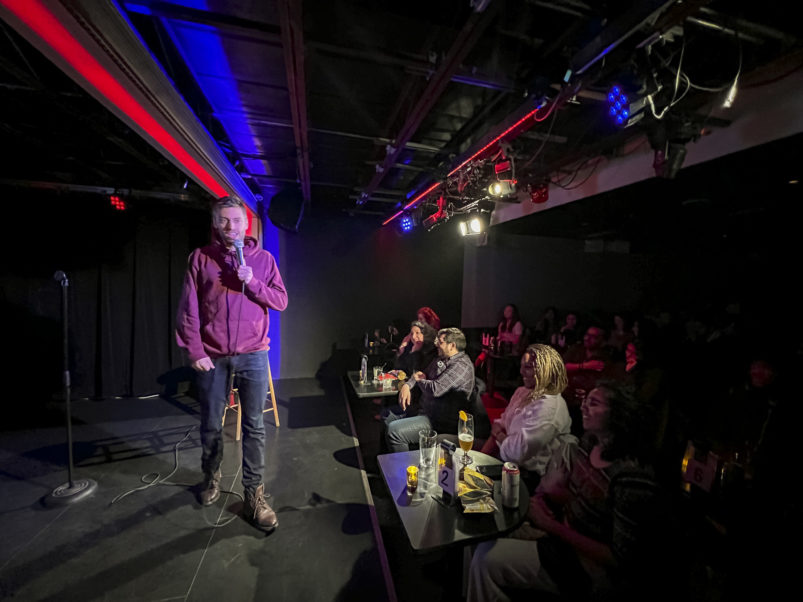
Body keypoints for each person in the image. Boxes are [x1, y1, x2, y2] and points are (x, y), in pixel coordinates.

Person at [468, 381, 663, 602]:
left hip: (582, 565)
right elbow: (584, 500)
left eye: (594, 403)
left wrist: (550, 524)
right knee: (478, 526)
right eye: (586, 400)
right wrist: (549, 500)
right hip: (558, 530)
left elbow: (618, 558)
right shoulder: (589, 444)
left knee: (486, 559)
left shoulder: (631, 478)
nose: (583, 406)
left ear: (618, 414)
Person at [175, 196, 288, 530]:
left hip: (254, 354)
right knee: (211, 424)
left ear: (246, 223)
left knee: (254, 426)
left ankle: (254, 495)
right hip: (214, 356)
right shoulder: (200, 258)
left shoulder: (264, 260)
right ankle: (211, 476)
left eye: (237, 220)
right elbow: (188, 309)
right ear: (215, 223)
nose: (231, 226)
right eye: (224, 220)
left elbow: (281, 301)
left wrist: (252, 282)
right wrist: (195, 351)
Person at [480, 344, 572, 486]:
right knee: (448, 445)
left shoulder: (550, 407)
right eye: (522, 366)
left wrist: (499, 436)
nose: (521, 371)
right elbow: (499, 425)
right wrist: (480, 458)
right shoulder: (522, 391)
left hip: (524, 476)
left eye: (528, 367)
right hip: (502, 456)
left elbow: (516, 453)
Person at [385, 327, 474, 451]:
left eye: (441, 342)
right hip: (424, 410)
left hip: (438, 421)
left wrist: (418, 380)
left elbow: (435, 389)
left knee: (395, 431)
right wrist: (407, 385)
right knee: (386, 416)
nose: (436, 344)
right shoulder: (442, 358)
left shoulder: (461, 365)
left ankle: (407, 463)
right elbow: (421, 373)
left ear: (452, 345)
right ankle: (383, 458)